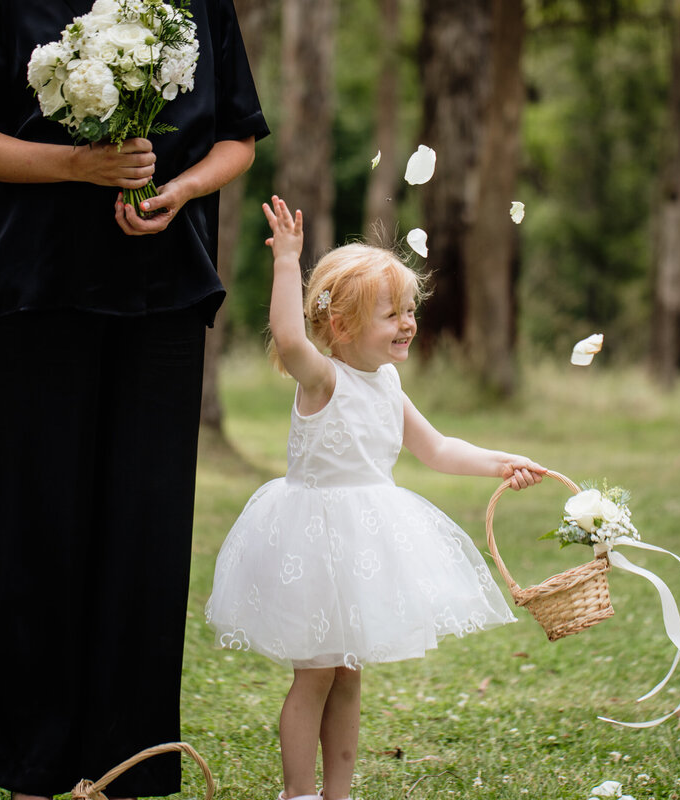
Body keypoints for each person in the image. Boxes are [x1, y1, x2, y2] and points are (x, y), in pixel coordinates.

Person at [0, 1, 269, 797]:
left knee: (145, 549)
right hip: (37, 296)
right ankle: (30, 771)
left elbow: (238, 138)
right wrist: (77, 166)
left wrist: (179, 189)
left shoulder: (194, 4)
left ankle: (128, 770)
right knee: (35, 539)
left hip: (164, 304)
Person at [205, 197, 546, 800]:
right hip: (312, 541)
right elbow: (287, 337)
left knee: (349, 675)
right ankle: (299, 793)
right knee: (313, 676)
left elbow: (437, 449)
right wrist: (288, 261)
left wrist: (501, 462)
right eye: (391, 314)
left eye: (409, 310)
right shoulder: (324, 380)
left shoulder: (387, 383)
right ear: (341, 326)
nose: (408, 323)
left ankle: (339, 792)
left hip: (365, 545)